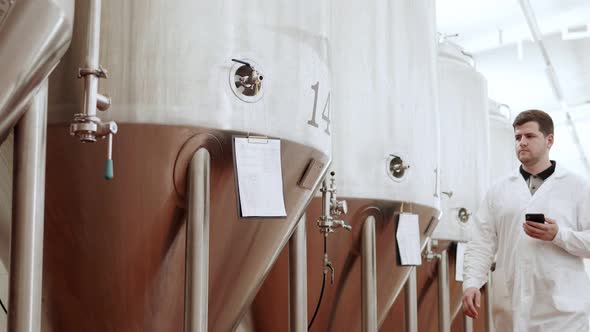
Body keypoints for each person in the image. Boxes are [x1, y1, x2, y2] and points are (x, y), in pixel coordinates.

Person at [462, 109, 590, 331]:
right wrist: (472, 282)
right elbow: (481, 242)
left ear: (549, 140)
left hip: (565, 313)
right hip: (512, 306)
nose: (522, 142)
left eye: (530, 136)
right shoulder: (499, 190)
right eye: (518, 137)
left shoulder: (578, 187)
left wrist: (559, 235)